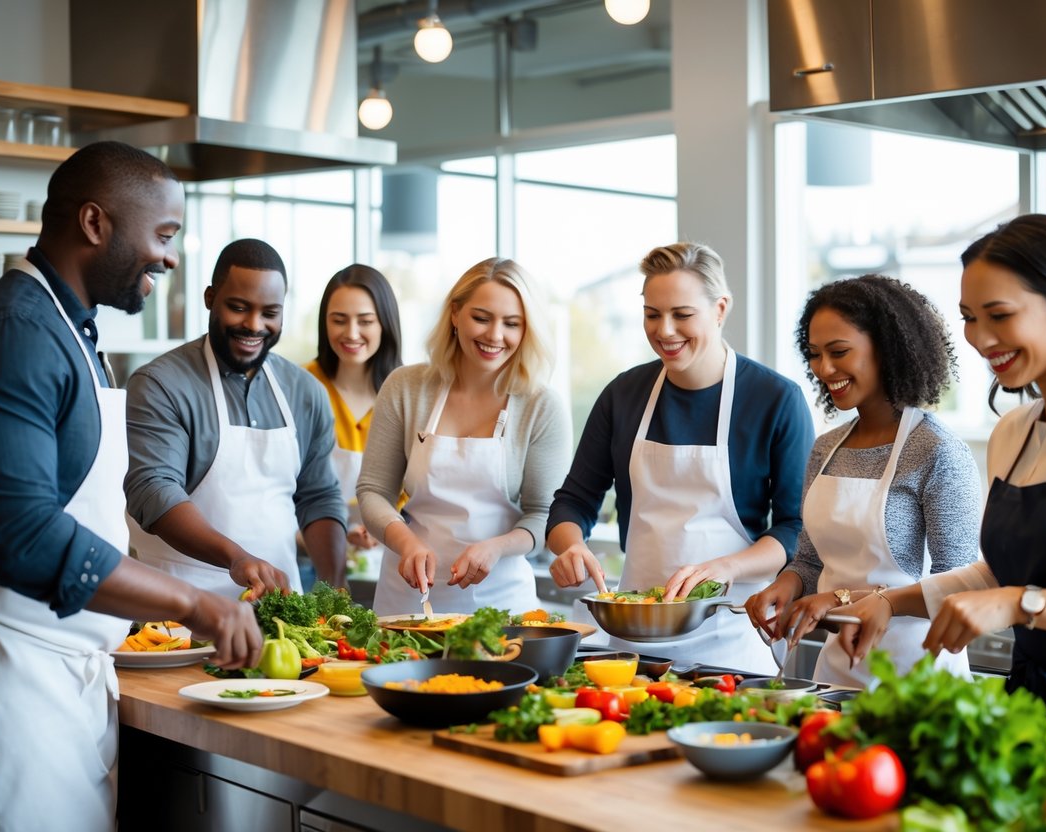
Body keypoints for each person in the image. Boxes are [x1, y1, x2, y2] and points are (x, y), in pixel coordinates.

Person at [0, 141, 262, 832]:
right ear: (95, 224)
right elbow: (22, 537)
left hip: (61, 672)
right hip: (4, 670)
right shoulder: (15, 334)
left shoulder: (70, 332)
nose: (170, 256)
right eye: (162, 234)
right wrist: (195, 605)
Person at [836, 214, 1046, 767]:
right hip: (1030, 714)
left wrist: (1020, 604)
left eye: (1000, 315)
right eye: (969, 318)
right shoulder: (1014, 430)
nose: (981, 340)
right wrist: (888, 604)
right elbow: (1002, 572)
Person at [547, 242, 814, 673]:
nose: (665, 331)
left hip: (731, 635)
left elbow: (796, 529)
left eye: (682, 315)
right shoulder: (624, 395)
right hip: (633, 642)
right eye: (652, 314)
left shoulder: (775, 399)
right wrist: (571, 545)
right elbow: (573, 501)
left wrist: (727, 566)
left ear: (720, 308)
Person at [744, 275, 981, 687]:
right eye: (815, 354)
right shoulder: (825, 448)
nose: (824, 369)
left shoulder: (938, 452)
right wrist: (783, 585)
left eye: (839, 352)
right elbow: (811, 561)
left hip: (918, 677)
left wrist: (836, 601)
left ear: (887, 351)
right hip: (839, 671)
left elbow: (956, 587)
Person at [125, 239, 347, 598]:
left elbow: (319, 496)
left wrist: (335, 586)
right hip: (177, 612)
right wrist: (237, 558)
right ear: (210, 298)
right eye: (239, 307)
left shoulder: (305, 392)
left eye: (270, 313)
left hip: (280, 613)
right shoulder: (160, 384)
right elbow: (154, 491)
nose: (254, 325)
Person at [357, 257, 570, 615]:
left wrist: (497, 547)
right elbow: (374, 491)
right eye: (481, 318)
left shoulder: (541, 406)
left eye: (512, 324)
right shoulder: (406, 388)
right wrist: (405, 542)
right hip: (407, 596)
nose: (495, 335)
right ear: (455, 314)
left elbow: (543, 514)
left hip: (501, 601)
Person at [304, 264, 403, 551]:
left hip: (395, 557)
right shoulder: (302, 386)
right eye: (339, 320)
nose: (351, 333)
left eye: (365, 321)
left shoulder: (408, 392)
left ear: (384, 322)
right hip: (312, 552)